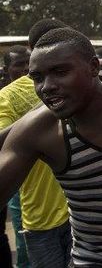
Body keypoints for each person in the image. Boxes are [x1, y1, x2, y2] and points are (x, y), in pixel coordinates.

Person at [0, 27, 102, 267]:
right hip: (92, 261)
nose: (46, 86)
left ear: (93, 67)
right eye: (37, 78)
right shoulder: (40, 129)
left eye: (60, 72)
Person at [0, 20, 71, 268]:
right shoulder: (10, 95)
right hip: (49, 214)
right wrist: (44, 110)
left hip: (71, 211)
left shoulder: (78, 85)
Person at [1, 45, 31, 267]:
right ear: (6, 68)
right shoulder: (4, 96)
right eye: (19, 64)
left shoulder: (40, 87)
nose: (25, 68)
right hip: (16, 179)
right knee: (23, 240)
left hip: (44, 179)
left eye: (28, 62)